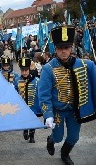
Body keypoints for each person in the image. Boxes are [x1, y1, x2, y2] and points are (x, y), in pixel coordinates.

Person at [38, 25, 96, 165]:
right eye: (60, 48)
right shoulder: (48, 68)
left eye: (67, 47)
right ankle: (51, 139)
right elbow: (44, 94)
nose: (63, 51)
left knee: (74, 137)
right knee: (58, 138)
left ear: (72, 48)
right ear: (55, 49)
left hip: (75, 110)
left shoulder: (85, 65)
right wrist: (48, 114)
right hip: (58, 112)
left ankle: (65, 154)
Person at [14, 58, 42, 143]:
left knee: (33, 120)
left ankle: (32, 135)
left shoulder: (36, 80)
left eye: (26, 70)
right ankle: (25, 131)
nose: (24, 73)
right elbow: (15, 92)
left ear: (29, 69)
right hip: (22, 105)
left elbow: (40, 93)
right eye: (22, 71)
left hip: (33, 105)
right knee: (25, 119)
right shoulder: (17, 80)